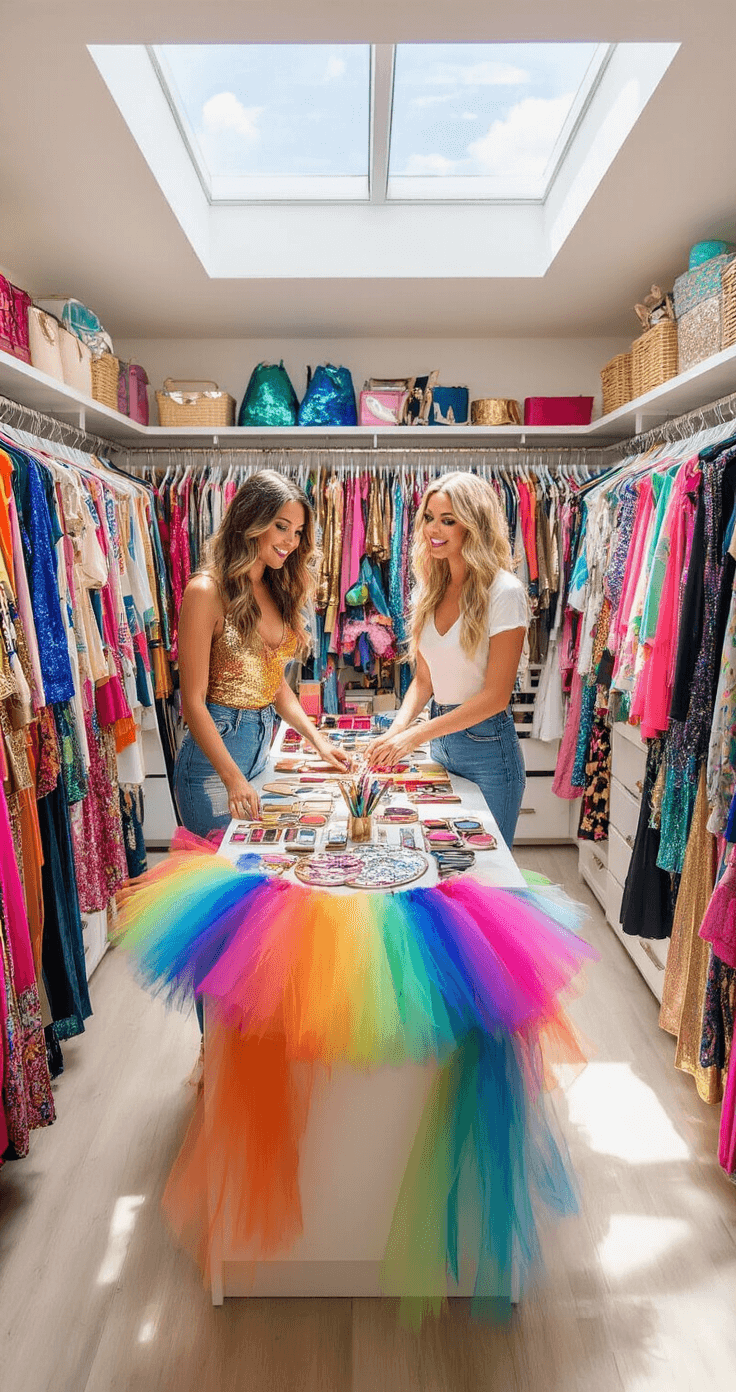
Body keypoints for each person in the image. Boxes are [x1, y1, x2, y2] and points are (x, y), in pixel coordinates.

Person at [174, 470, 350, 840]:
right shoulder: (205, 591)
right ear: (251, 521)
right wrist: (232, 778)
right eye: (281, 526)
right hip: (214, 764)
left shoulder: (275, 586)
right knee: (219, 879)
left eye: (298, 531)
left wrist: (317, 741)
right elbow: (192, 702)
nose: (291, 541)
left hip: (259, 746)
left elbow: (273, 683)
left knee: (257, 872)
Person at [367, 472, 529, 846]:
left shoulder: (504, 591)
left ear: (474, 525)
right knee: (442, 865)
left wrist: (412, 737)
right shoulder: (428, 589)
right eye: (428, 517)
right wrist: (396, 732)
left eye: (448, 520)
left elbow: (496, 697)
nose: (433, 530)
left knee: (487, 875)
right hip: (439, 743)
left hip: (488, 752)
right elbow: (424, 681)